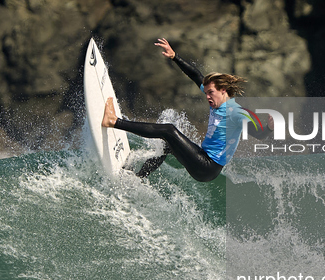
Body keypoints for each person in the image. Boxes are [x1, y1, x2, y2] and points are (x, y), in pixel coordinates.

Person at [101, 38, 272, 182]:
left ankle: (114, 121)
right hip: (203, 158)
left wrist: (270, 128)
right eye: (206, 93)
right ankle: (137, 179)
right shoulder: (216, 101)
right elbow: (196, 75)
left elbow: (260, 134)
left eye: (210, 93)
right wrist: (175, 56)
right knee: (167, 145)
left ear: (223, 90)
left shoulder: (236, 111)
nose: (207, 97)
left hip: (207, 166)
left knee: (168, 130)